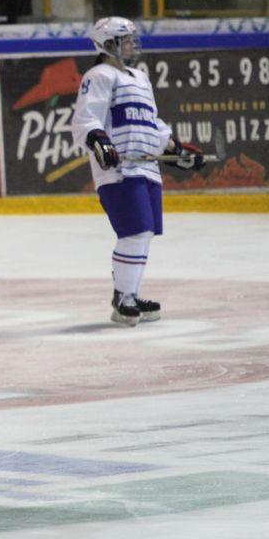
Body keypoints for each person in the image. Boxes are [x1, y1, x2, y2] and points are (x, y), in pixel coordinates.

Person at [72, 17, 205, 326]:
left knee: (143, 235)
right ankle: (123, 297)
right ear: (108, 44)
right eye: (125, 39)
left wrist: (176, 149)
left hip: (146, 168)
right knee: (134, 232)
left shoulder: (140, 78)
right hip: (120, 171)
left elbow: (151, 122)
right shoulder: (99, 75)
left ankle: (130, 292)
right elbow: (85, 117)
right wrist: (100, 142)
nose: (133, 44)